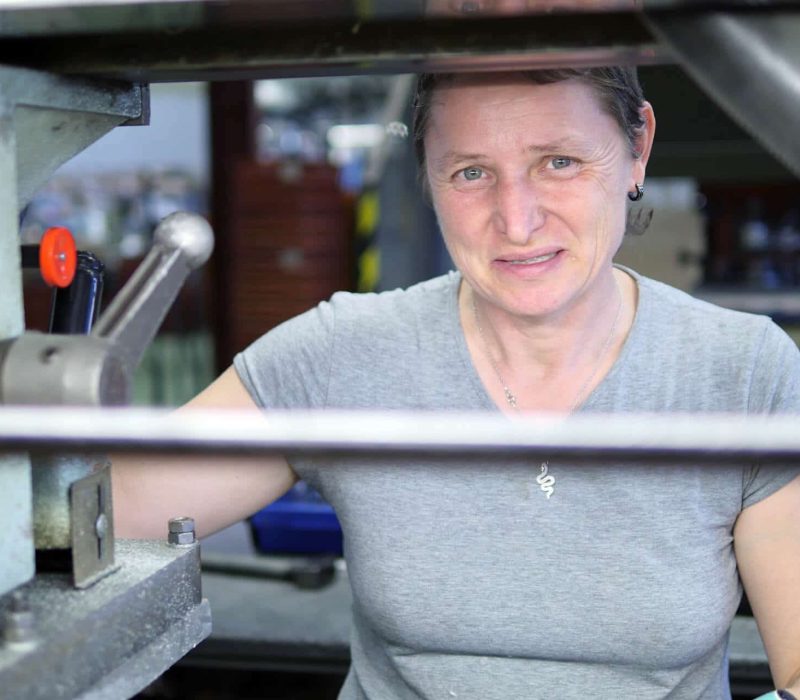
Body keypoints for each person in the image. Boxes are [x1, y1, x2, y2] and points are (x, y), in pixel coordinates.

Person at [112, 67, 800, 699]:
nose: (518, 220)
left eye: (558, 162)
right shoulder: (343, 357)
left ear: (637, 148)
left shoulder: (742, 374)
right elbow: (94, 514)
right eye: (471, 173)